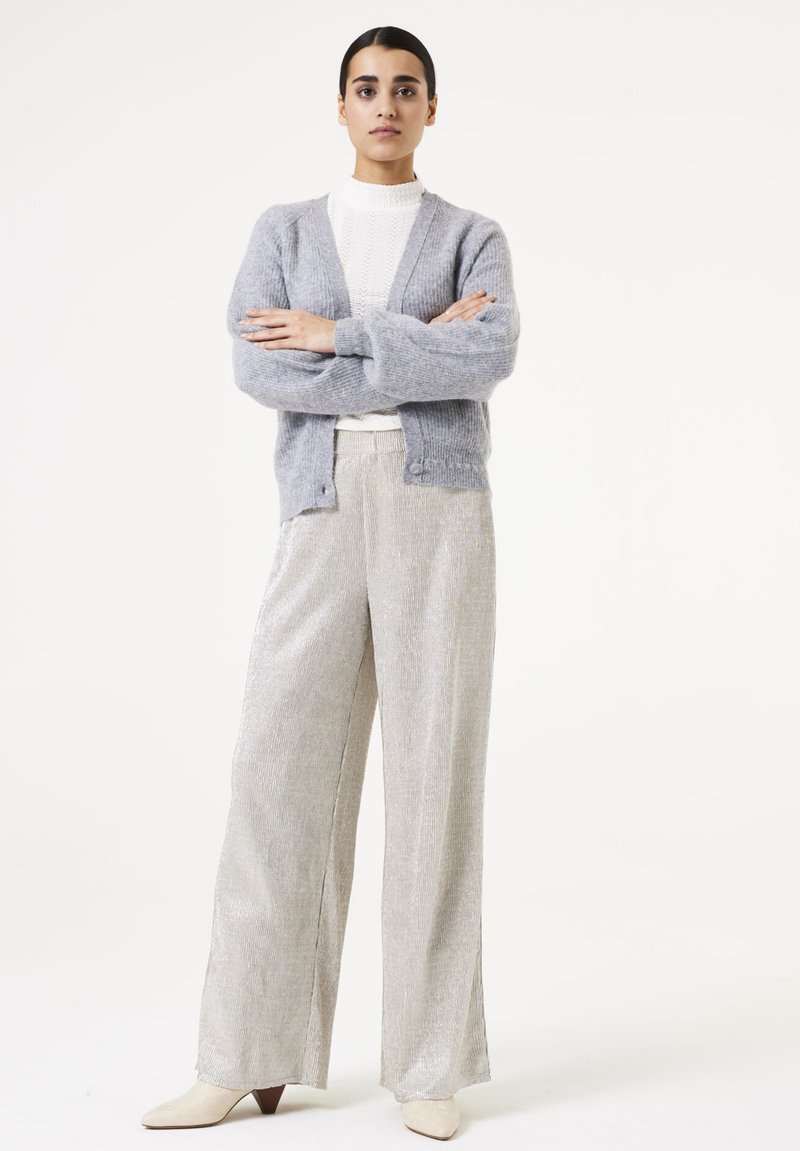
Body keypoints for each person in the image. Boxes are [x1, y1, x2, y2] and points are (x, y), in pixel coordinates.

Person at [141, 24, 520, 1141]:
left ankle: (430, 1063)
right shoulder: (286, 229)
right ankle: (242, 1054)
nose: (385, 104)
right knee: (276, 772)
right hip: (317, 507)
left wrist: (335, 334)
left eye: (405, 87)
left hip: (438, 506)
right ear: (341, 105)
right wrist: (410, 346)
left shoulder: (473, 235)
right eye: (366, 87)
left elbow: (491, 353)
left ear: (432, 107)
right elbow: (260, 365)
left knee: (433, 775)